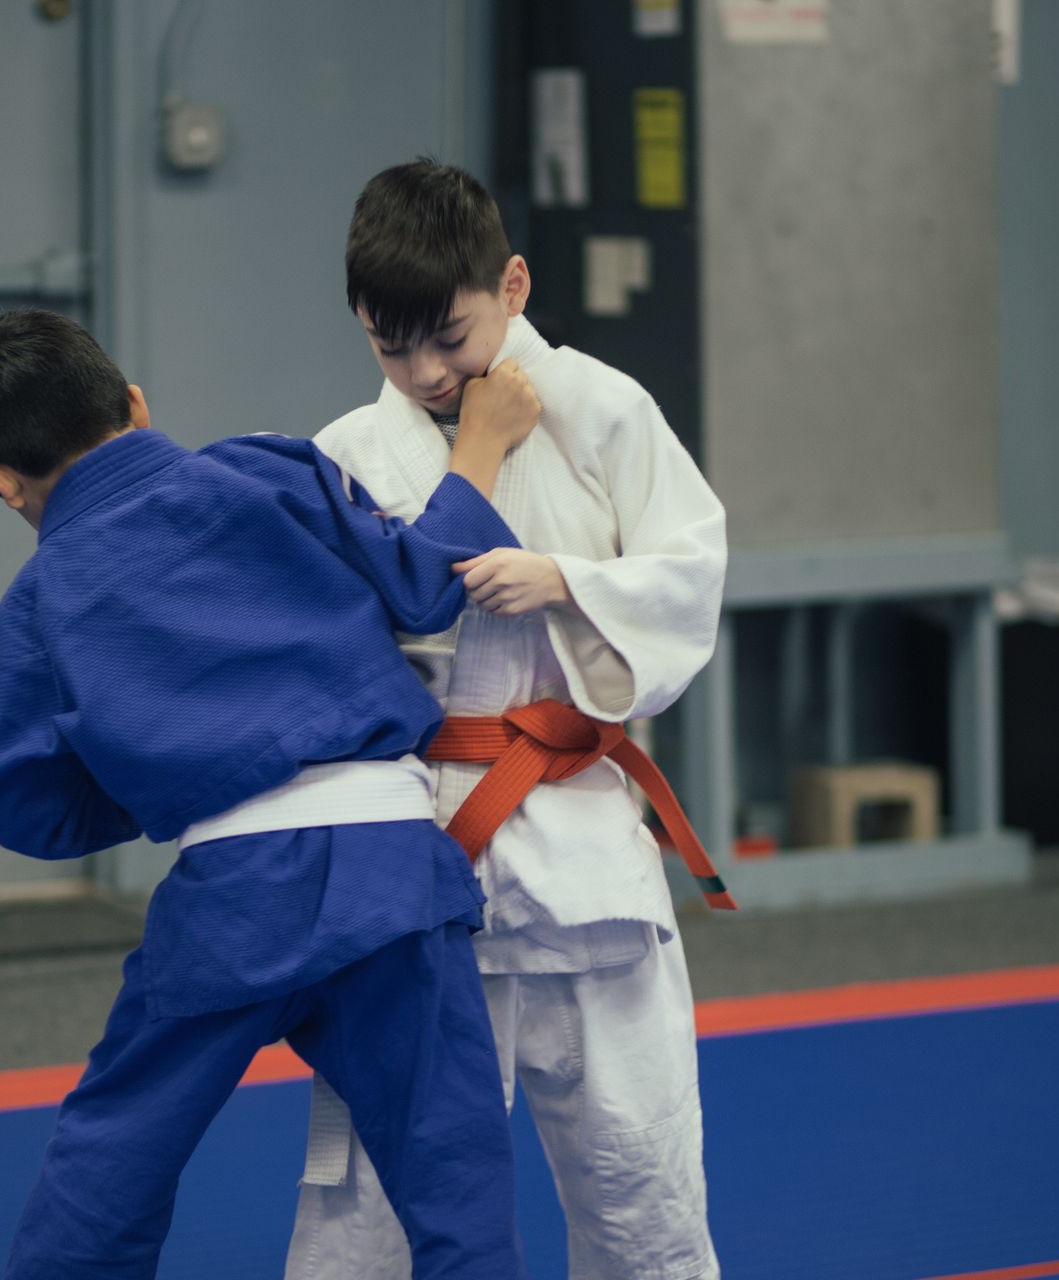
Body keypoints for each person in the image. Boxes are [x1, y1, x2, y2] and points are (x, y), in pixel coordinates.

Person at [0, 308, 541, 1279]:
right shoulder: (272, 469)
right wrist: (478, 444)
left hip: (230, 892)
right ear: (135, 404)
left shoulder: (38, 603)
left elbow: (19, 803)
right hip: (392, 868)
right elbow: (429, 588)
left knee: (112, 1153)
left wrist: (164, 764)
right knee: (454, 1175)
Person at [285, 159, 731, 1280]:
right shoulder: (344, 452)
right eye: (394, 347)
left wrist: (570, 582)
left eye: (451, 336)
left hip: (583, 851)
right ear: (359, 323)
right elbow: (331, 647)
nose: (429, 373)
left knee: (641, 1168)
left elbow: (691, 571)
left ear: (514, 285)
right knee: (380, 1188)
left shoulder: (606, 409)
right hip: (420, 849)